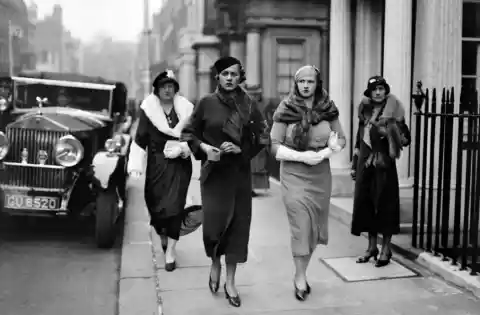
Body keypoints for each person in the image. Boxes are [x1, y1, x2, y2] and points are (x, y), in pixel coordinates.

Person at [180, 56, 268, 307]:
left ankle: (231, 281)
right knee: (214, 227)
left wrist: (242, 150)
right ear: (217, 77)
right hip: (213, 176)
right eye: (225, 74)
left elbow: (262, 135)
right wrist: (206, 148)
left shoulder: (249, 105)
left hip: (239, 175)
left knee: (237, 228)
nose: (230, 78)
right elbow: (189, 133)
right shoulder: (206, 103)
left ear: (240, 77)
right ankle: (214, 263)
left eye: (234, 74)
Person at [270, 65, 346, 301]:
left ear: (317, 84)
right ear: (296, 84)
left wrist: (329, 151)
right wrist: (302, 156)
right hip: (294, 173)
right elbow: (273, 145)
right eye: (301, 81)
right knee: (301, 225)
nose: (305, 85)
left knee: (313, 229)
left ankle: (302, 270)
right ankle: (300, 276)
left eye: (310, 82)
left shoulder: (328, 109)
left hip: (320, 174)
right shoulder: (286, 109)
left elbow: (341, 138)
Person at [128, 70, 194, 272]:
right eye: (164, 86)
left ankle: (171, 251)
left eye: (171, 86)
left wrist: (183, 149)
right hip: (156, 165)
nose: (167, 89)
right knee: (155, 206)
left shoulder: (186, 110)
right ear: (156, 89)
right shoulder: (148, 110)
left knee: (175, 208)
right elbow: (140, 139)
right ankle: (163, 235)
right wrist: (135, 164)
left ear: (175, 89)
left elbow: (195, 137)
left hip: (180, 165)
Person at [351, 75, 411, 268]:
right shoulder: (364, 110)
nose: (378, 92)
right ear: (369, 92)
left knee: (385, 204)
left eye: (381, 88)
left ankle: (386, 248)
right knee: (366, 203)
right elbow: (359, 139)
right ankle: (371, 248)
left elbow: (406, 139)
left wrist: (391, 133)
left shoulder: (395, 112)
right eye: (374, 89)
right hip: (365, 163)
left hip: (384, 163)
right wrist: (354, 163)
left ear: (386, 91)